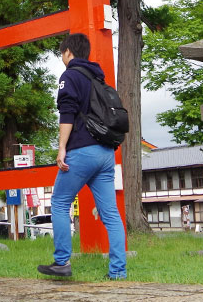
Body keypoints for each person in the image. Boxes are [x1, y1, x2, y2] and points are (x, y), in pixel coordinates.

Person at [37, 33, 126, 280]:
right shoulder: (99, 78)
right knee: (110, 214)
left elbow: (67, 113)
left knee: (59, 202)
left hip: (82, 151)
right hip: (106, 153)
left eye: (61, 54)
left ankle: (62, 261)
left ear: (68, 53)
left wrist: (62, 147)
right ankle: (118, 271)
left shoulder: (70, 76)